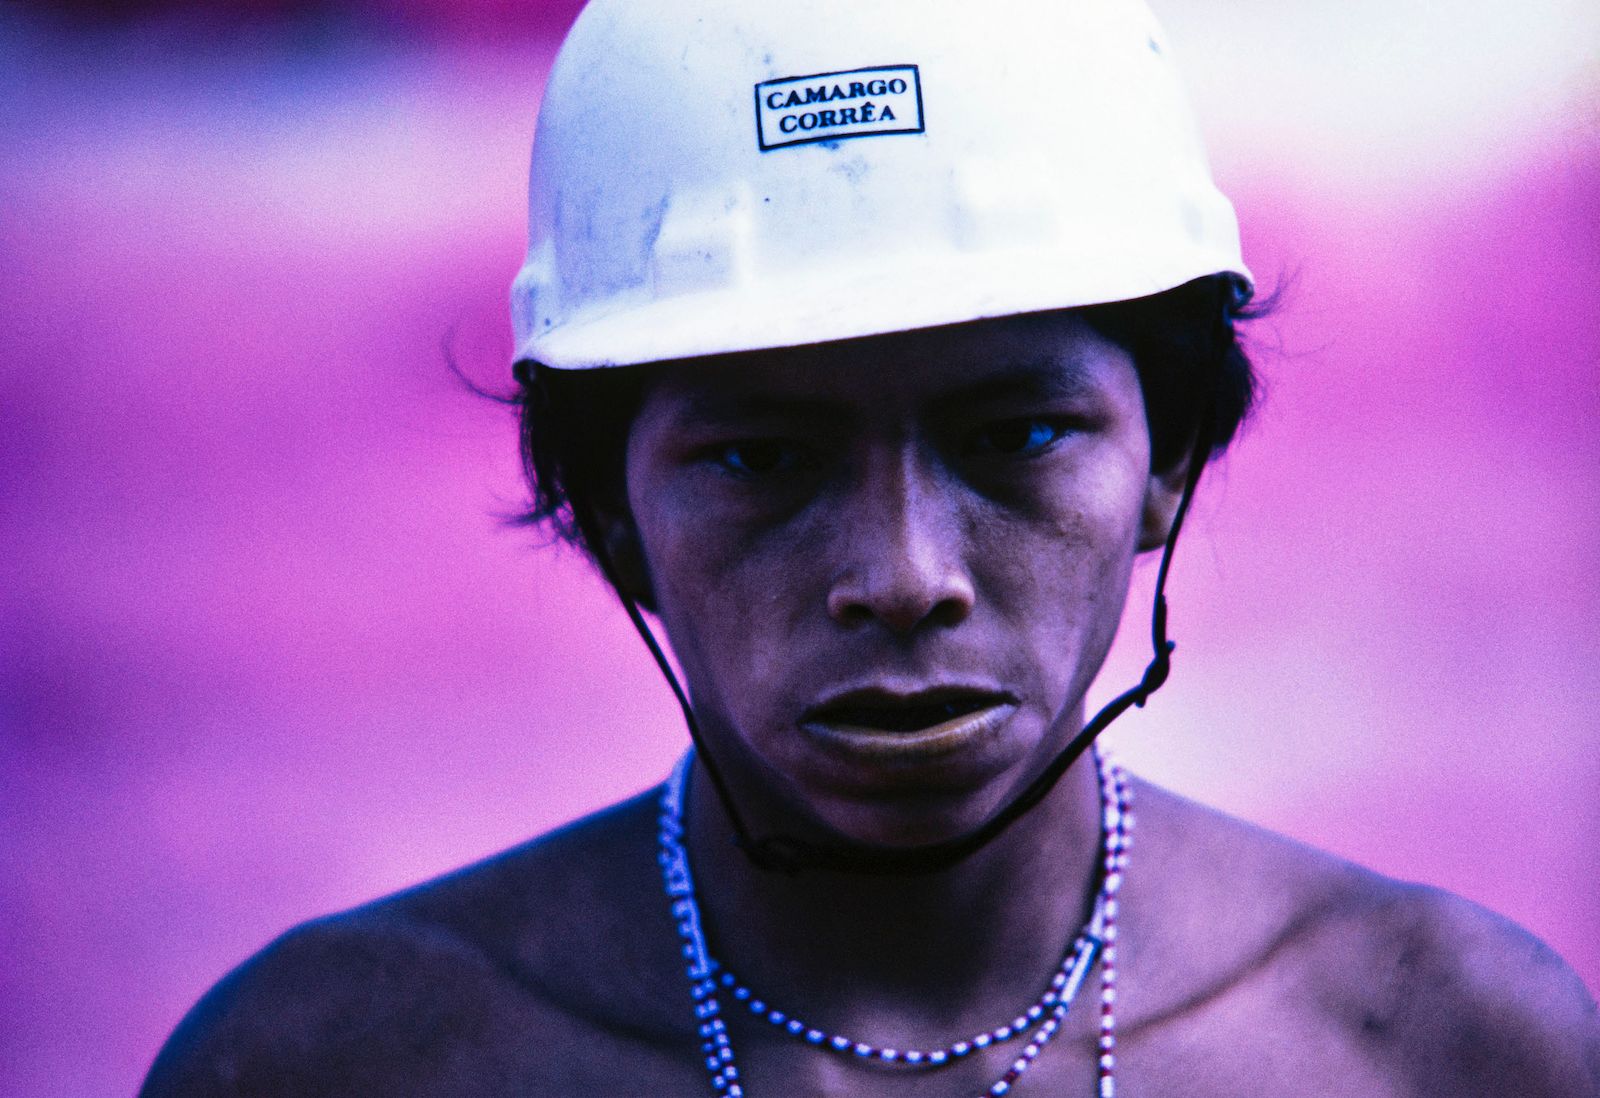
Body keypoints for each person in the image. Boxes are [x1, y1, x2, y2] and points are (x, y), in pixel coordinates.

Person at [141, 0, 1600, 1094]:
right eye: (764, 457)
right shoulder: (339, 1062)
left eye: (1014, 435)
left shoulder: (1448, 1046)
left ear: (1167, 457)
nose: (905, 577)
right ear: (605, 511)